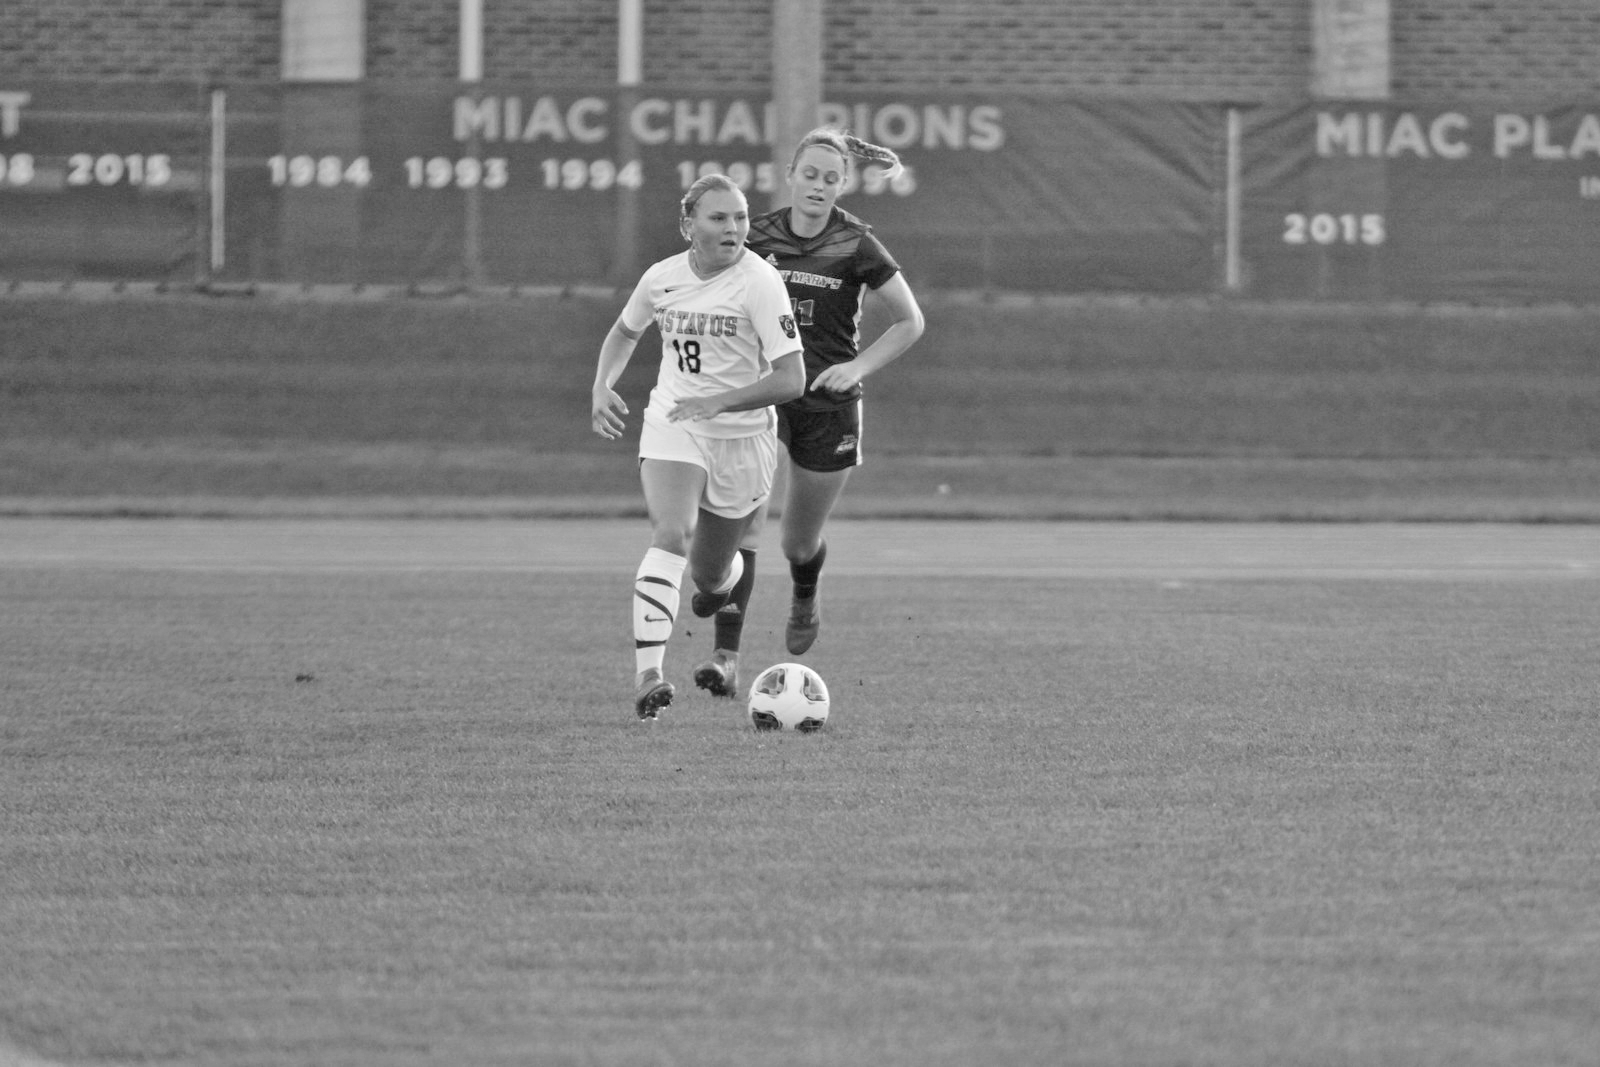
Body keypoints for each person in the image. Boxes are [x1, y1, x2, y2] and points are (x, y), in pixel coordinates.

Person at [692, 127, 926, 698]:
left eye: (831, 178)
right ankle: (725, 658)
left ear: (843, 184)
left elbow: (910, 322)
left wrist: (858, 368)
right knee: (745, 522)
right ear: (790, 175)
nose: (819, 186)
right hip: (766, 401)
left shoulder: (858, 244)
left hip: (829, 410)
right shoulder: (758, 236)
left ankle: (804, 593)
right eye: (810, 174)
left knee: (797, 543)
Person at [590, 173, 806, 720]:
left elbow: (791, 380)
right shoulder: (661, 277)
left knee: (712, 575)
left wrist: (723, 402)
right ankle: (648, 678)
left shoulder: (759, 282)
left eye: (740, 216)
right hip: (675, 423)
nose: (734, 227)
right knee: (671, 532)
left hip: (742, 441)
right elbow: (624, 332)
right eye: (718, 217)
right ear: (688, 226)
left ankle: (724, 581)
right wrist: (602, 384)